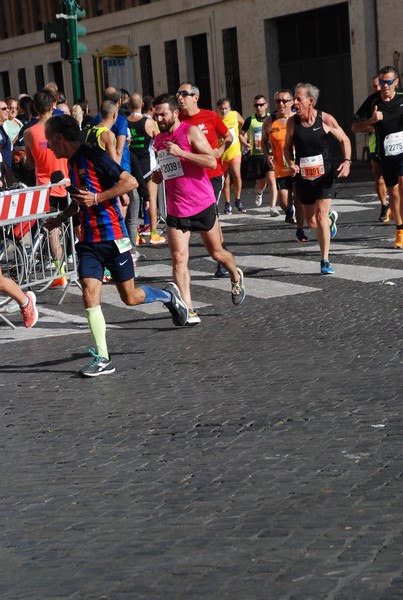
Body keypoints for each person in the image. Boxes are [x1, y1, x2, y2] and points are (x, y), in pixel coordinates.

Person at [43, 114, 189, 377]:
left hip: (112, 236)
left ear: (60, 138)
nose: (49, 147)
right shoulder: (73, 164)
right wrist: (61, 219)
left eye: (49, 141)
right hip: (88, 241)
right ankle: (102, 357)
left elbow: (130, 183)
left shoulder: (94, 157)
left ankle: (169, 296)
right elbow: (81, 200)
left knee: (130, 297)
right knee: (89, 291)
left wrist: (98, 197)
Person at [152, 93, 246, 325]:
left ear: (175, 113)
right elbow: (169, 168)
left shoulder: (190, 132)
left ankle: (235, 274)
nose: (159, 118)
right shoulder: (158, 141)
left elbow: (211, 162)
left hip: (201, 203)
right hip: (176, 207)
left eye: (163, 114)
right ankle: (189, 309)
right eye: (156, 114)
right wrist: (159, 173)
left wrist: (182, 152)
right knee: (178, 258)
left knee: (216, 253)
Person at [284, 82, 351, 274]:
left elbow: (344, 139)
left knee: (320, 216)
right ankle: (331, 220)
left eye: (298, 98)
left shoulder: (325, 119)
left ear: (310, 101)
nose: (294, 102)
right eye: (294, 98)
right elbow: (287, 148)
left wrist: (347, 161)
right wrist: (290, 163)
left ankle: (325, 260)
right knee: (312, 222)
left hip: (325, 175)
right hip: (304, 178)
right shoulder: (292, 123)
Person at [177, 81, 234, 278]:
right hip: (190, 179)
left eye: (184, 93)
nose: (180, 97)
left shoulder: (210, 116)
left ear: (195, 97)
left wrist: (221, 149)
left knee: (212, 215)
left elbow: (229, 137)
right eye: (178, 94)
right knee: (211, 221)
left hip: (212, 175)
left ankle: (221, 258)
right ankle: (221, 254)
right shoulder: (178, 119)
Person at [352, 66, 403, 247]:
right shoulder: (373, 101)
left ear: (396, 82)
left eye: (389, 82)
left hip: (402, 152)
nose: (385, 85)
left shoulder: (402, 99)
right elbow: (354, 127)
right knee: (394, 194)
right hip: (385, 154)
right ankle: (399, 230)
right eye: (382, 82)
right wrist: (371, 121)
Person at [23, 90, 69, 288]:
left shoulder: (28, 132)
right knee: (75, 224)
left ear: (34, 109)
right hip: (66, 183)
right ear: (53, 106)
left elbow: (31, 163)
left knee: (53, 230)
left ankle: (60, 272)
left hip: (44, 187)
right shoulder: (63, 127)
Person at [262, 88, 309, 242]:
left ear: (291, 102)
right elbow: (263, 141)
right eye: (277, 101)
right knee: (284, 202)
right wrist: (267, 154)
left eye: (284, 101)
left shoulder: (297, 118)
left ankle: (300, 229)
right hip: (281, 167)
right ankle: (289, 211)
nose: (281, 104)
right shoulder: (270, 120)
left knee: (299, 199)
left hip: (298, 165)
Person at [127, 92, 166, 244]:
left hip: (132, 166)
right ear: (142, 105)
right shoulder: (148, 122)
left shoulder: (124, 122)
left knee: (134, 202)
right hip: (148, 166)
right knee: (151, 199)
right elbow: (159, 139)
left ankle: (135, 234)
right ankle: (153, 233)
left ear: (129, 105)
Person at [241, 94, 279, 215]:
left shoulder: (272, 118)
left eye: (261, 105)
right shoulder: (250, 120)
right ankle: (259, 193)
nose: (258, 107)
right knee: (261, 183)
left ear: (266, 105)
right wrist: (246, 144)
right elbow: (241, 134)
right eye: (256, 105)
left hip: (269, 154)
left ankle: (272, 208)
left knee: (272, 180)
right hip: (255, 155)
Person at [216, 98, 245, 215]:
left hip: (235, 151)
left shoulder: (234, 115)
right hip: (222, 154)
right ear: (218, 109)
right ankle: (227, 203)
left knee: (237, 175)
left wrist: (244, 137)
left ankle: (238, 200)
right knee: (226, 181)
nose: (224, 111)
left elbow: (244, 124)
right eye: (222, 109)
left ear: (230, 108)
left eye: (226, 108)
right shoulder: (216, 118)